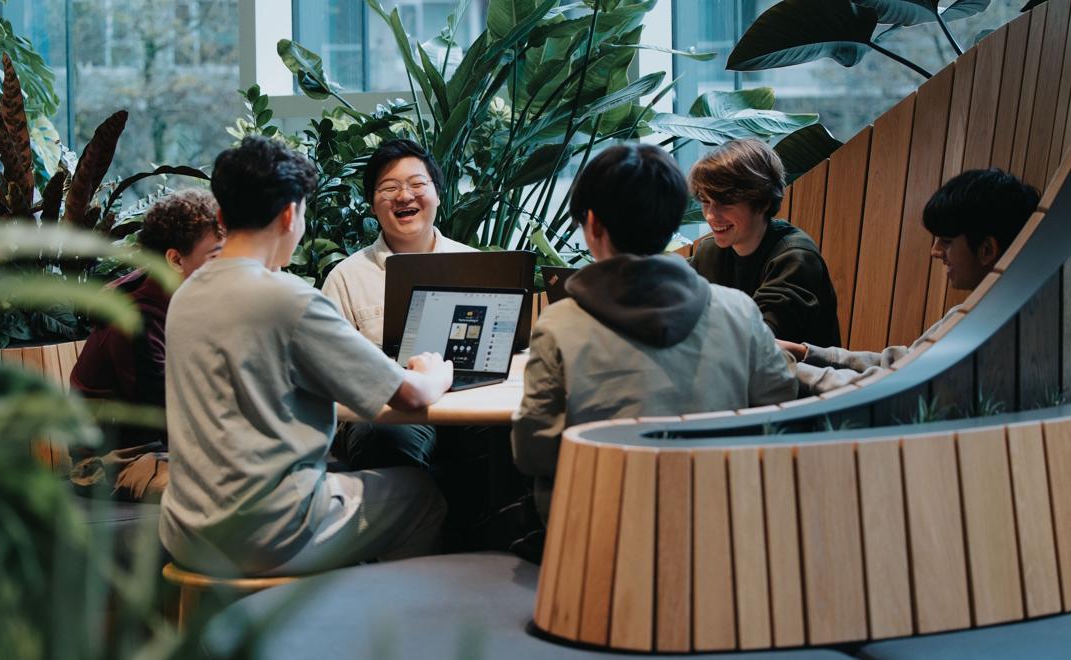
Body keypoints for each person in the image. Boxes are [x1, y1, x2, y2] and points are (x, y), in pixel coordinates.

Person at [159, 136, 453, 577]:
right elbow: (409, 396)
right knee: (423, 495)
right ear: (289, 215)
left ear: (221, 217)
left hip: (185, 529)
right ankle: (381, 631)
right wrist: (433, 372)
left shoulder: (184, 296)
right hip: (264, 533)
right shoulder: (290, 300)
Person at [512, 143, 798, 522]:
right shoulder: (739, 311)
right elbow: (778, 406)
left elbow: (534, 452)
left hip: (598, 537)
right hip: (722, 526)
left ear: (593, 223)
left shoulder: (559, 324)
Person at [781, 168, 1040, 395]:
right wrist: (803, 352)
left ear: (987, 249)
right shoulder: (983, 309)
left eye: (947, 242)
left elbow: (890, 385)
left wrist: (783, 365)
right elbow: (900, 362)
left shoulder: (989, 330)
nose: (935, 251)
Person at [322, 139, 475, 470]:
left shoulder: (477, 266)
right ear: (372, 205)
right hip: (386, 413)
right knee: (387, 437)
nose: (405, 196)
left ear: (438, 194)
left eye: (418, 185)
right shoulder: (345, 279)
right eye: (389, 188)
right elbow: (331, 378)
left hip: (472, 406)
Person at [68, 189, 225, 502]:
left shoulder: (180, 298)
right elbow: (163, 408)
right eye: (216, 257)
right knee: (224, 490)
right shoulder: (135, 317)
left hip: (159, 446)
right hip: (113, 460)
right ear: (176, 259)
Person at [688, 138, 841, 347]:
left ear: (762, 200)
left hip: (800, 377)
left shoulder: (795, 257)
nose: (711, 216)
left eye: (725, 202)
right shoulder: (710, 252)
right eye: (706, 201)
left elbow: (761, 341)